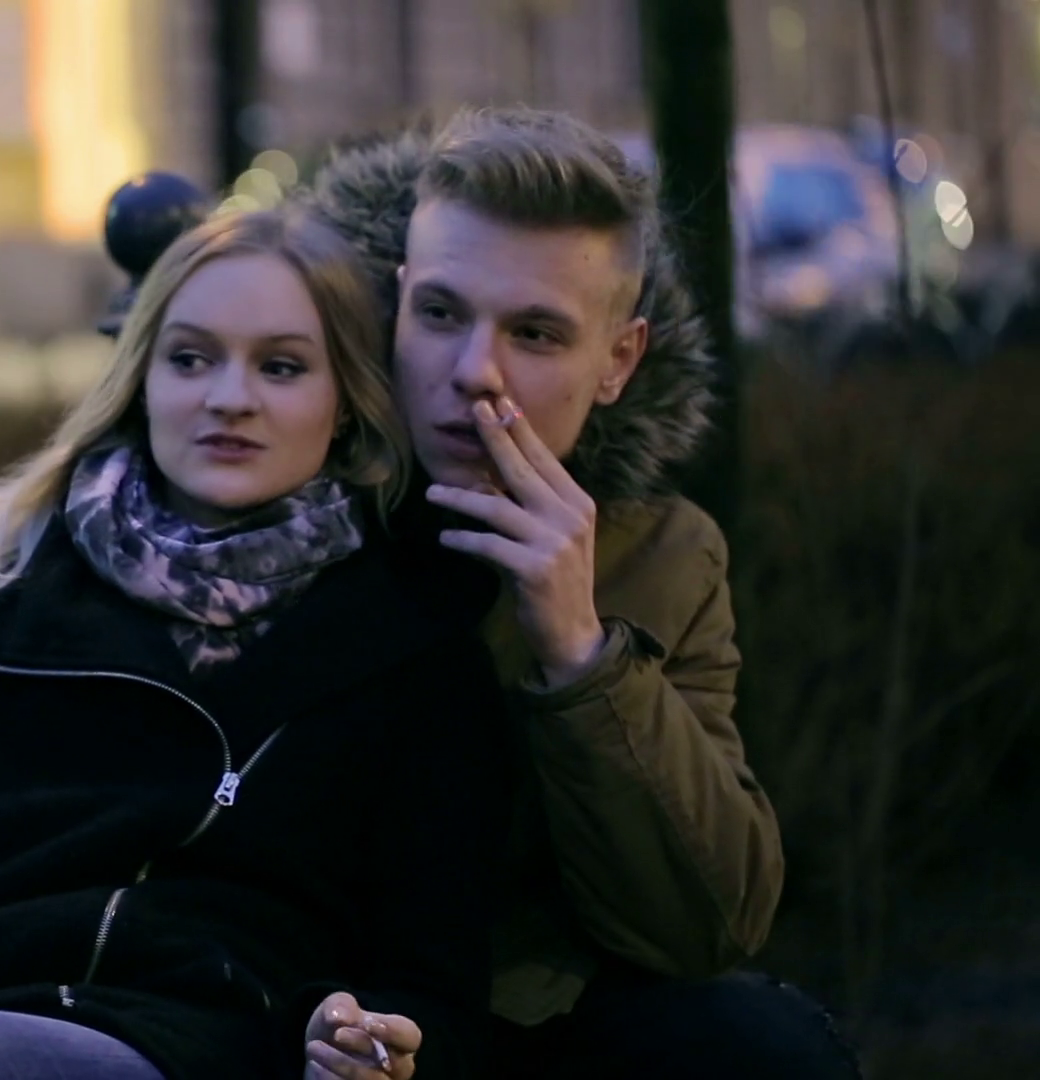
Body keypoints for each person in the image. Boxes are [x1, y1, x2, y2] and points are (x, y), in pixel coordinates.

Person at [0, 207, 517, 1080]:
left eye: (281, 366)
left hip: (201, 1049)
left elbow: (435, 986)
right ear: (142, 379)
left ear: (346, 400)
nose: (229, 397)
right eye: (191, 358)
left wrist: (365, 1046)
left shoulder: (410, 649)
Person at [302, 107, 862, 1079]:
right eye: (440, 314)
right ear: (394, 303)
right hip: (299, 999)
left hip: (530, 1015)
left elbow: (709, 924)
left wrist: (580, 654)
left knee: (765, 1049)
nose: (474, 372)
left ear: (618, 360)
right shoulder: (286, 495)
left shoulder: (662, 555)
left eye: (535, 333)